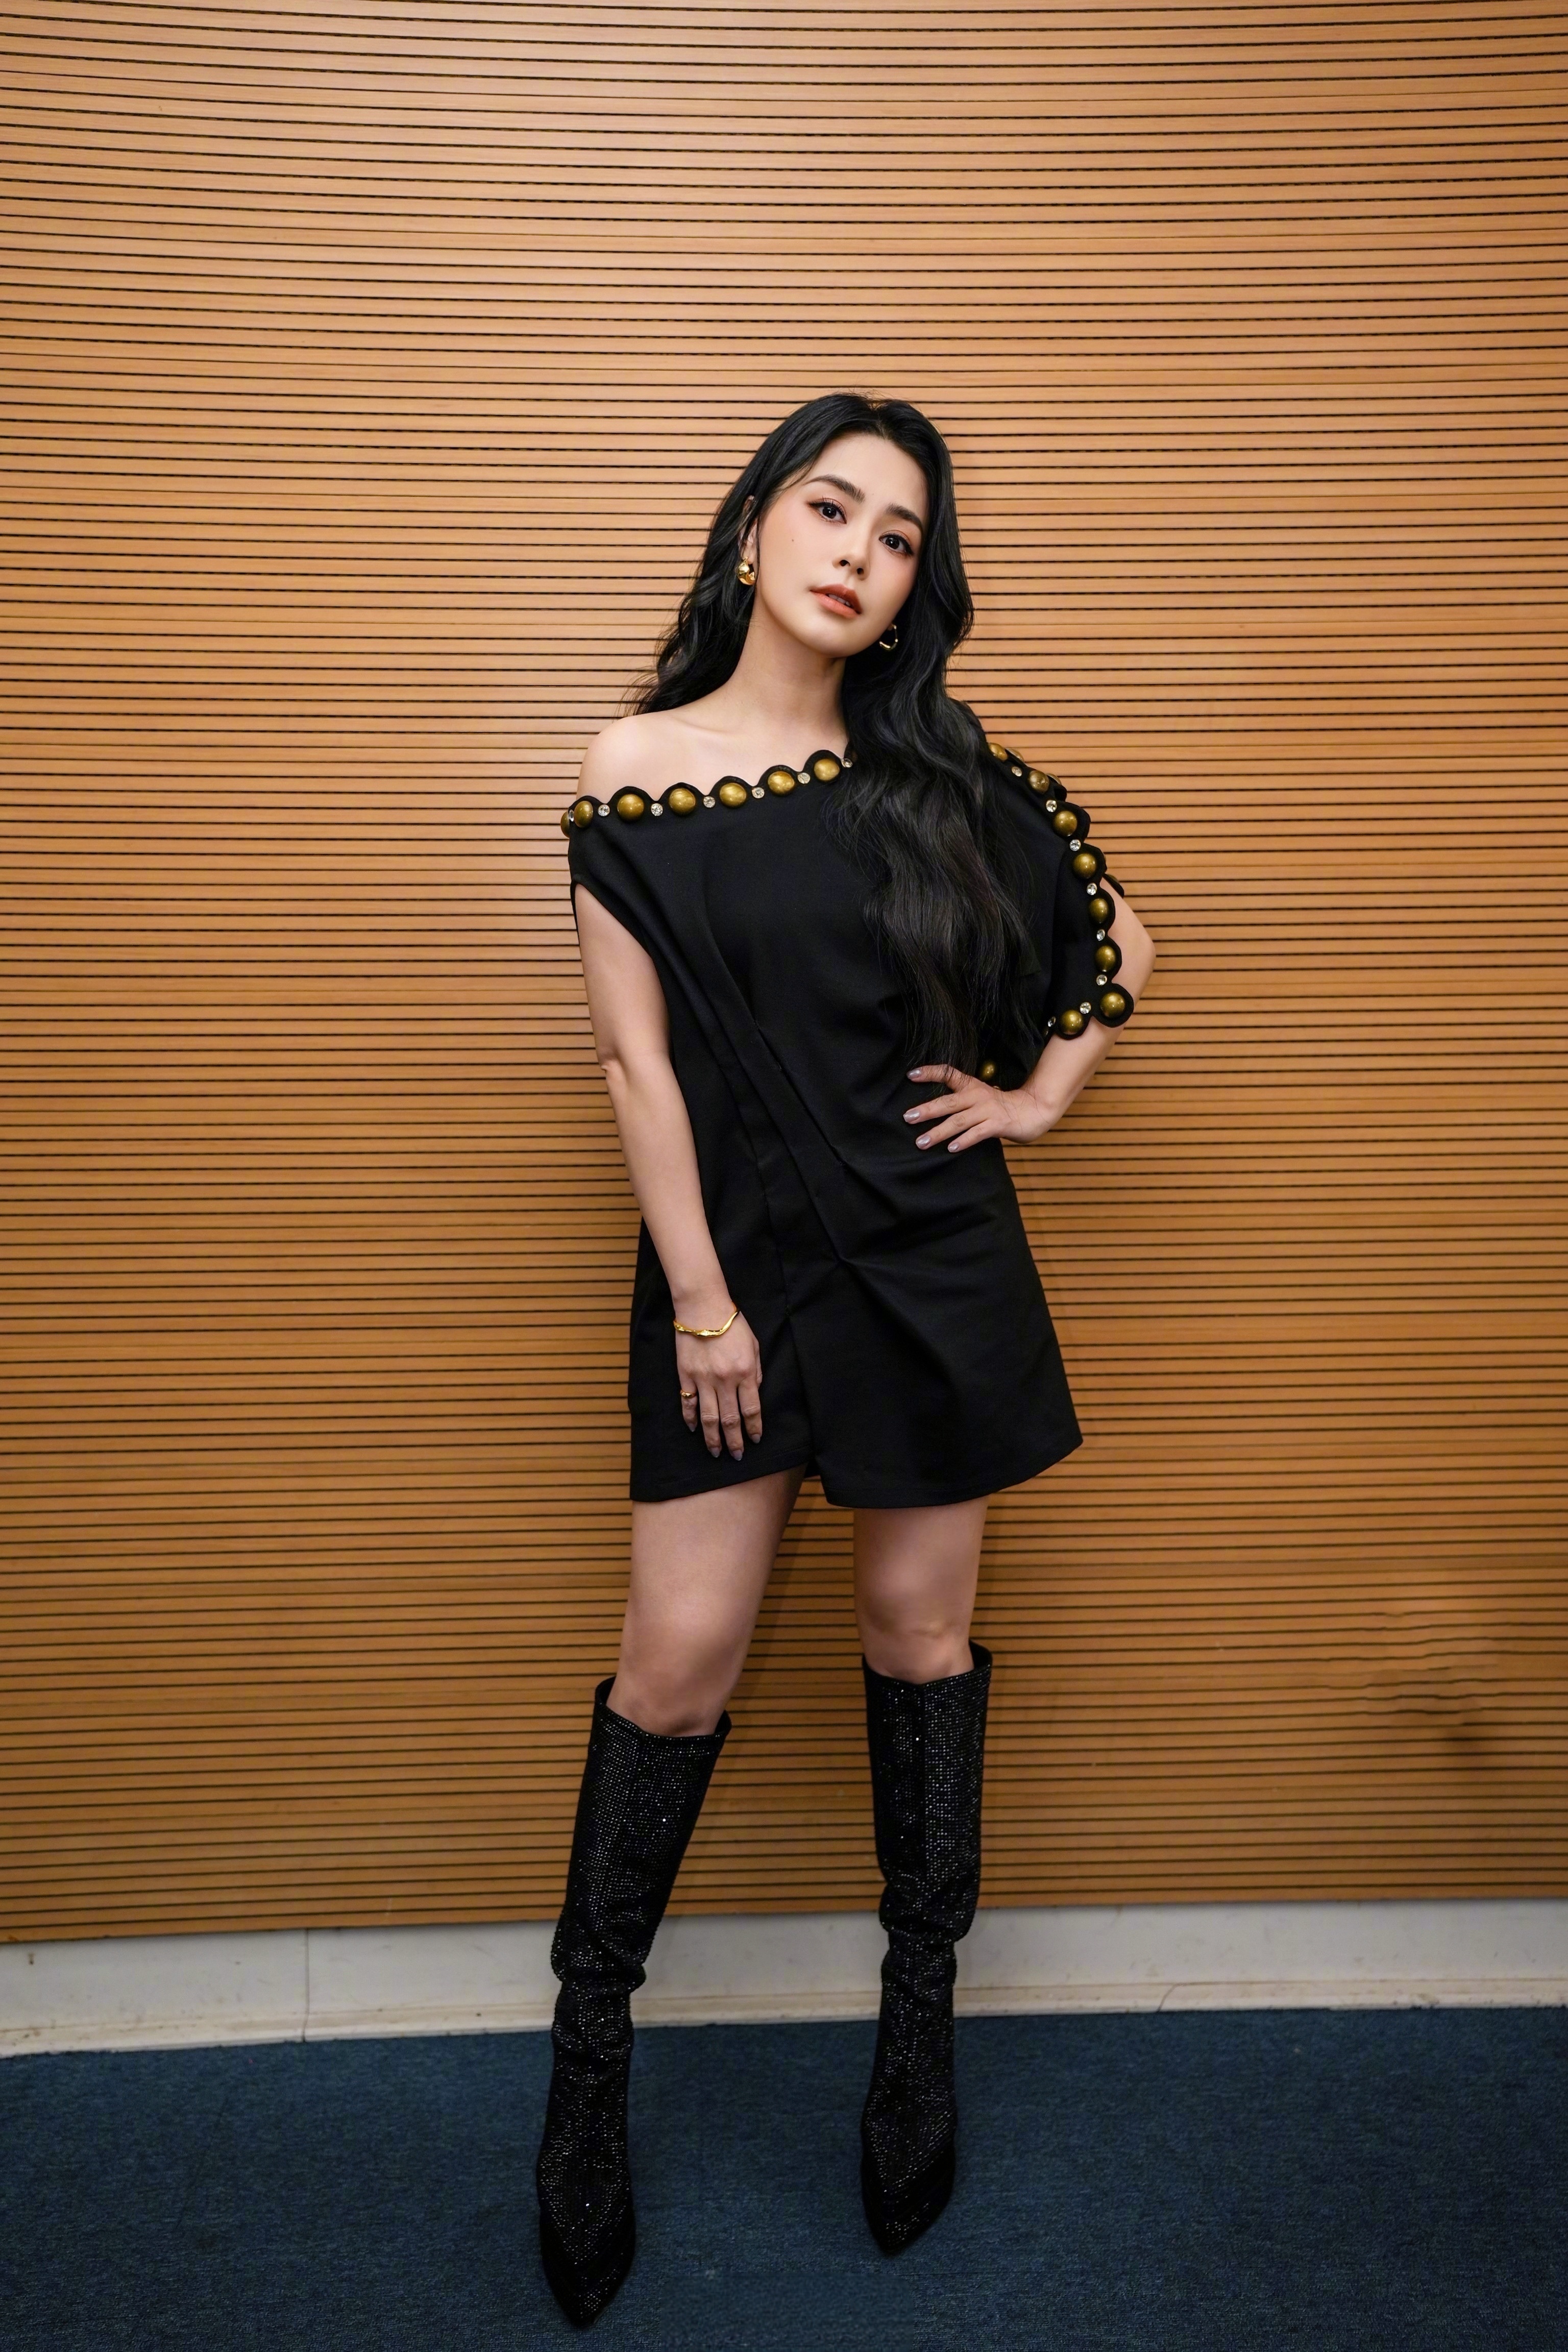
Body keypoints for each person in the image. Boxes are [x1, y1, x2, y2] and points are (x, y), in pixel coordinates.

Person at [537, 391, 1156, 2325]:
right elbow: (637, 1066)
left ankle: (916, 2032)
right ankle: (587, 2068)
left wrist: (1037, 1099)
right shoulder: (635, 769)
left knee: (917, 1635)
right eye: (832, 510)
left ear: (911, 593)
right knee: (681, 1659)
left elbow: (1126, 940)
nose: (861, 556)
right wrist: (702, 1302)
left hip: (930, 1264)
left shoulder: (940, 775)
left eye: (899, 540)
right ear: (753, 531)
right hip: (730, 1272)